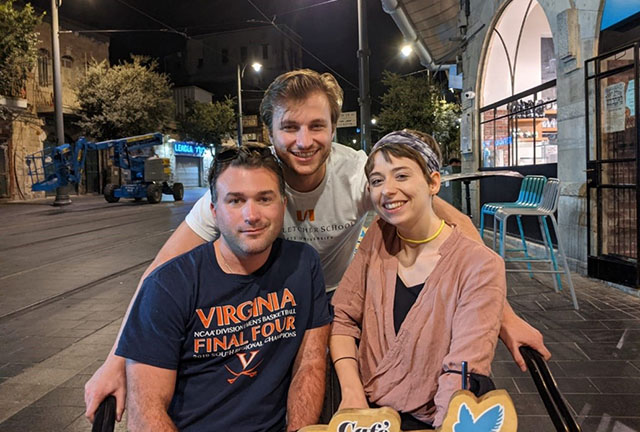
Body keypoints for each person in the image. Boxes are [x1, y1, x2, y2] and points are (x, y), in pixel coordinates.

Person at [84, 69, 549, 423]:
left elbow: (454, 225)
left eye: (317, 126)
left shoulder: (358, 175)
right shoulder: (248, 187)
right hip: (266, 308)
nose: (304, 141)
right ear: (270, 132)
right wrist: (115, 361)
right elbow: (158, 276)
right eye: (290, 127)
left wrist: (502, 317)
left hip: (329, 305)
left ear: (334, 126)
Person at [116, 144, 332, 431]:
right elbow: (146, 414)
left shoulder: (303, 265)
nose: (251, 215)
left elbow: (311, 363)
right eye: (235, 201)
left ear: (283, 204)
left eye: (264, 199)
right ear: (214, 211)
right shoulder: (169, 286)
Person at [330, 130, 505, 429]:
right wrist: (352, 394)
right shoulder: (378, 237)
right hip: (367, 414)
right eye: (377, 180)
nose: (387, 190)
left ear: (433, 182)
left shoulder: (479, 265)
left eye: (401, 176)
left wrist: (444, 424)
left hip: (435, 418)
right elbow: (343, 319)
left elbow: (462, 369)